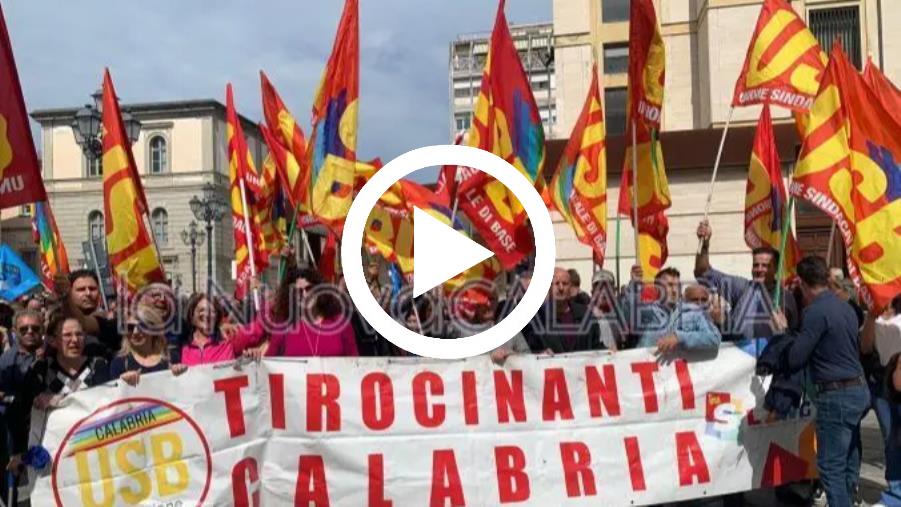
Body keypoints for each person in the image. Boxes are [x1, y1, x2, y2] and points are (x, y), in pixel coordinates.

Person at [770, 256, 868, 507]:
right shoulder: (845, 307)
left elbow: (795, 358)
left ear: (802, 284)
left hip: (836, 395)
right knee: (847, 460)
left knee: (830, 466)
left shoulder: (815, 312)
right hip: (857, 389)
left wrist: (783, 333)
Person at [5, 316, 110, 502]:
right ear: (53, 341)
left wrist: (60, 400)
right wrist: (18, 453)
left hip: (96, 454)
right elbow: (21, 412)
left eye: (79, 334)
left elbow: (111, 403)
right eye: (67, 335)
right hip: (56, 461)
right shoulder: (41, 370)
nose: (74, 340)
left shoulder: (99, 366)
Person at [695, 220, 800, 348]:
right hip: (742, 363)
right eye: (756, 265)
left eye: (765, 266)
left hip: (770, 363)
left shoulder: (787, 298)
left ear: (776, 269)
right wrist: (704, 244)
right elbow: (703, 273)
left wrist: (784, 331)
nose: (759, 269)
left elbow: (795, 338)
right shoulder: (742, 288)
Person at [242, 267, 358, 358]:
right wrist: (255, 355)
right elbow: (268, 363)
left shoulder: (340, 323)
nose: (304, 295)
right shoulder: (284, 327)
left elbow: (355, 364)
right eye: (298, 291)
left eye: (308, 288)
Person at [861, 293, 901, 506]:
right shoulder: (875, 317)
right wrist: (870, 316)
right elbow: (866, 348)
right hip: (885, 388)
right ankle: (895, 494)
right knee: (892, 441)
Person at [525, 267, 601, 353]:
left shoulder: (585, 315)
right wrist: (539, 354)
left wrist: (610, 353)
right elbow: (526, 351)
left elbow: (596, 346)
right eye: (556, 283)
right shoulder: (537, 320)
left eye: (565, 284)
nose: (561, 288)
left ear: (570, 288)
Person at [110, 306, 187, 386]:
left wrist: (180, 374)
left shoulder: (171, 357)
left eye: (142, 326)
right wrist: (121, 381)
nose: (135, 332)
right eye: (130, 327)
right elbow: (114, 394)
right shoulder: (119, 363)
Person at [177, 294, 263, 366]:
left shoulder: (229, 336)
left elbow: (260, 327)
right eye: (201, 310)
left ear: (217, 317)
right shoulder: (181, 343)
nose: (207, 314)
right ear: (192, 316)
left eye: (212, 311)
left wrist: (251, 353)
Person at [56, 270, 121, 360]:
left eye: (92, 289)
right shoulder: (57, 323)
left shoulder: (109, 321)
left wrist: (65, 297)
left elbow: (82, 323)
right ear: (70, 292)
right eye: (81, 289)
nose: (88, 293)